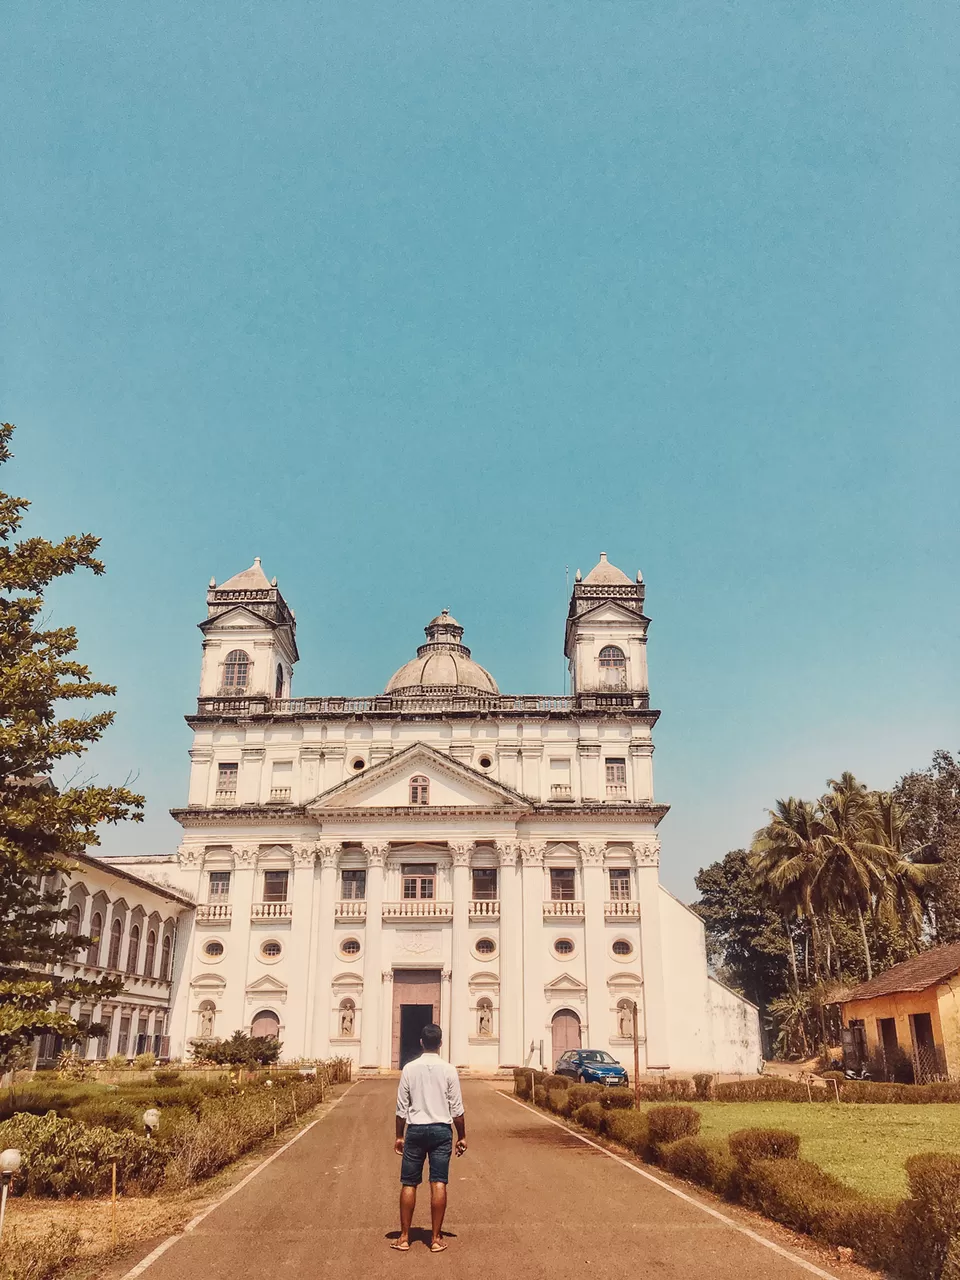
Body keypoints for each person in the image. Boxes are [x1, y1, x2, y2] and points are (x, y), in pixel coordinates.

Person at [393, 1023, 466, 1253]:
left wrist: (398, 1136)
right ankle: (435, 1239)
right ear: (441, 1044)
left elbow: (400, 1108)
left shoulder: (409, 1069)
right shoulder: (449, 1070)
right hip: (441, 1131)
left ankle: (404, 1237)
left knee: (409, 1183)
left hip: (415, 1130)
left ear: (421, 1042)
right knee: (439, 1182)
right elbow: (457, 1109)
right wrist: (462, 1136)